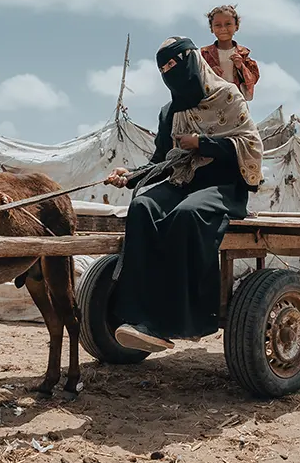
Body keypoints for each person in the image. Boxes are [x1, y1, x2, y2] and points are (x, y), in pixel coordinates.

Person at [104, 36, 264, 353]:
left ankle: (179, 319)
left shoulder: (228, 97)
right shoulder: (170, 113)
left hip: (224, 185)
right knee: (143, 206)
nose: (168, 71)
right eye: (162, 67)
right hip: (184, 181)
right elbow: (162, 161)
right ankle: (135, 316)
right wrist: (130, 177)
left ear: (192, 60)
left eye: (174, 64)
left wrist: (203, 145)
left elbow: (252, 148)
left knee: (187, 215)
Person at [200, 4, 259, 101]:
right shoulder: (204, 54)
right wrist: (210, 73)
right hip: (212, 100)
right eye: (218, 25)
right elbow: (196, 77)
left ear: (236, 26)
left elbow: (252, 80)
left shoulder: (243, 54)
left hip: (236, 100)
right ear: (211, 28)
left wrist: (241, 67)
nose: (223, 28)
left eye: (228, 24)